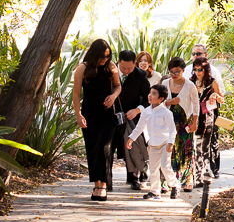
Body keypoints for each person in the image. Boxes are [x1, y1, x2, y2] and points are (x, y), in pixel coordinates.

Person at [72, 39, 121, 201]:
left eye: (108, 56)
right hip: (89, 114)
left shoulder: (111, 67)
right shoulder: (82, 68)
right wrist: (78, 114)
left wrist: (113, 97)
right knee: (93, 149)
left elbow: (118, 86)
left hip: (108, 115)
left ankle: (104, 186)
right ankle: (96, 184)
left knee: (105, 148)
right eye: (102, 56)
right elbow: (76, 94)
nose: (105, 59)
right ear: (95, 53)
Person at [127, 84, 179, 200]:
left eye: (154, 94)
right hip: (153, 144)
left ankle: (174, 185)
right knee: (153, 169)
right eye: (150, 93)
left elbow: (172, 130)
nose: (150, 96)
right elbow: (139, 127)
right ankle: (155, 191)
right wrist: (131, 138)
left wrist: (170, 143)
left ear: (161, 98)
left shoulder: (166, 113)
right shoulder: (146, 112)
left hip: (165, 144)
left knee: (165, 167)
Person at [160, 57, 199, 197]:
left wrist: (194, 122)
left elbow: (196, 105)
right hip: (168, 121)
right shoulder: (164, 83)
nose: (174, 74)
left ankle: (187, 180)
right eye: (171, 72)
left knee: (186, 150)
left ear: (183, 70)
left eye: (177, 71)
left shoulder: (190, 85)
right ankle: (165, 181)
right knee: (167, 150)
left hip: (184, 121)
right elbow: (158, 102)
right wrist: (171, 101)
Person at [112, 50, 151, 190]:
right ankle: (106, 180)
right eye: (123, 68)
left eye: (129, 68)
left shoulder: (140, 75)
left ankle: (134, 178)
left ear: (135, 64)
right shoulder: (110, 73)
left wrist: (138, 110)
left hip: (132, 116)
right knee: (109, 147)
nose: (126, 71)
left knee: (134, 146)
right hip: (112, 116)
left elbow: (148, 98)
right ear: (118, 62)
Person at [188, 44, 225, 178]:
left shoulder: (212, 81)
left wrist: (215, 95)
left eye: (200, 69)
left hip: (208, 116)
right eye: (196, 69)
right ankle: (195, 172)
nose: (198, 72)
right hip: (194, 116)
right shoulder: (190, 82)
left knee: (206, 144)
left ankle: (207, 169)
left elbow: (222, 98)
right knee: (194, 144)